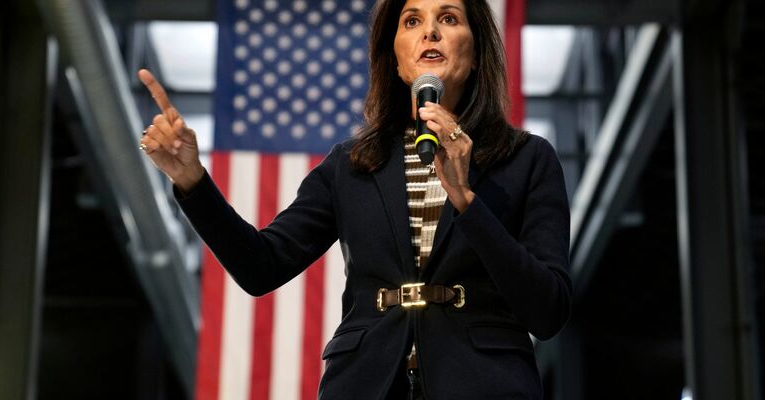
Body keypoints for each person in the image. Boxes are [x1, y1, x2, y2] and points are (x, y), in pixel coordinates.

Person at [138, 0, 572, 398]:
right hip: (366, 382)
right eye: (412, 21)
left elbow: (548, 310)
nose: (431, 32)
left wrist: (467, 201)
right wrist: (192, 181)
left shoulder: (528, 159)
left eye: (449, 18)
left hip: (487, 384)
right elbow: (260, 266)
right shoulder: (351, 164)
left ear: (476, 53)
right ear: (396, 59)